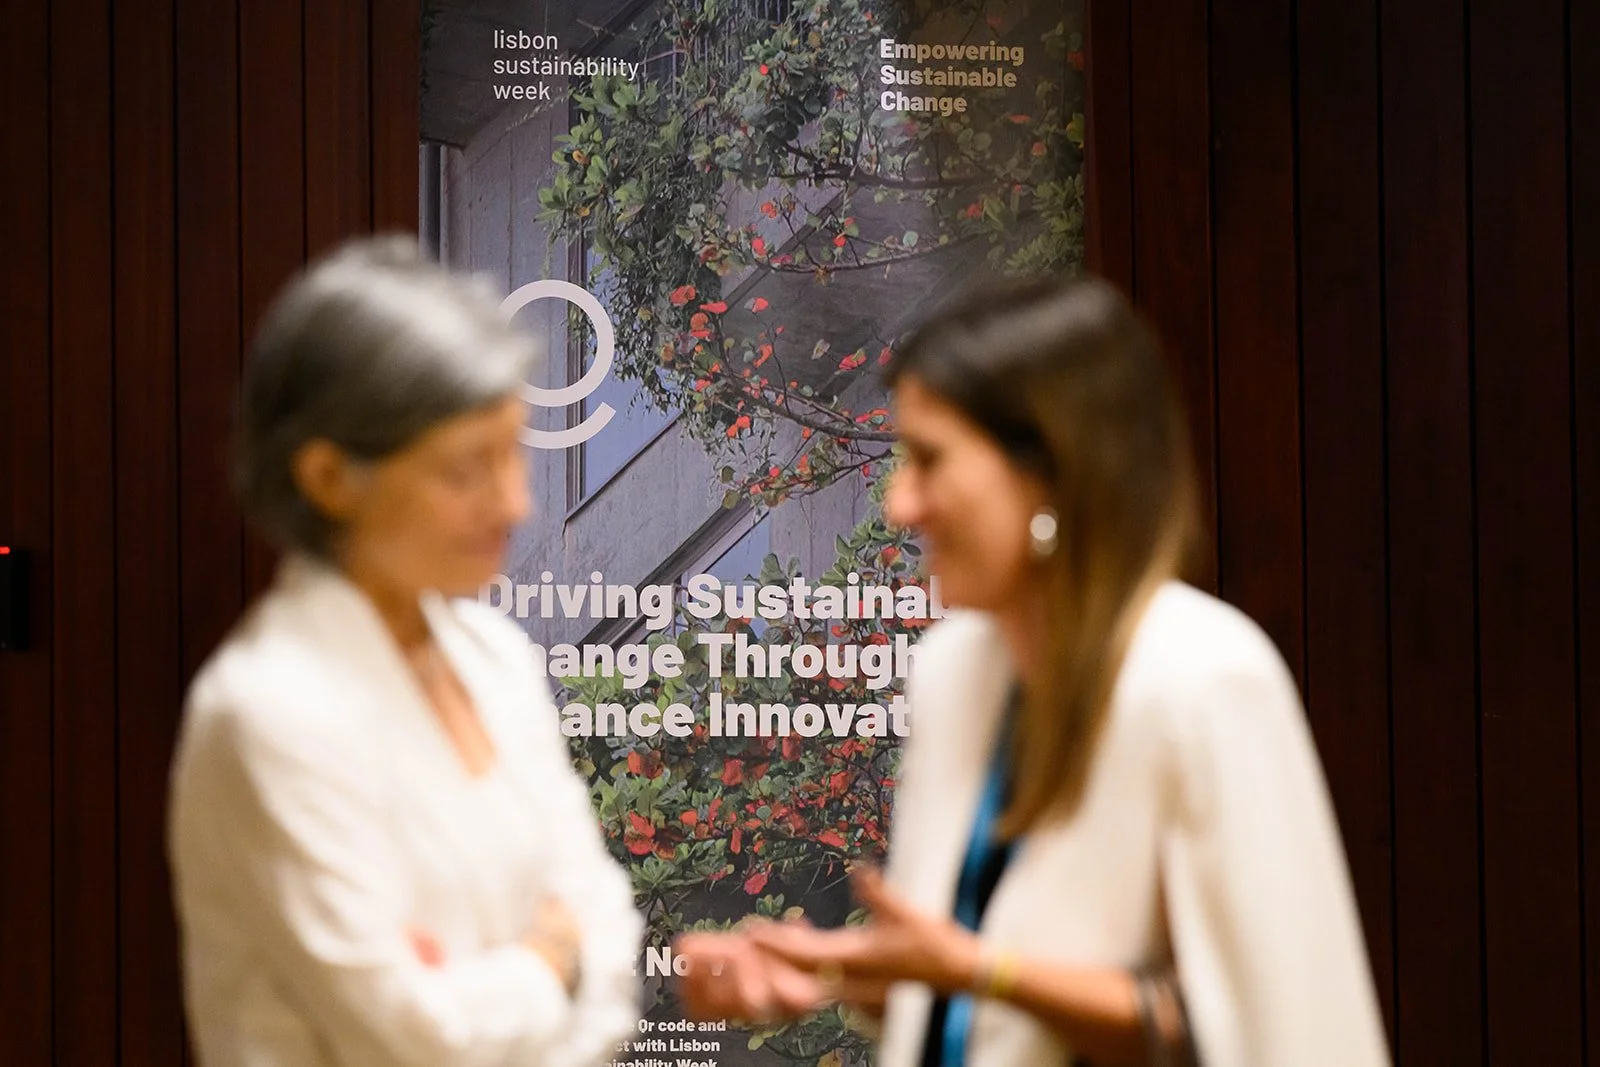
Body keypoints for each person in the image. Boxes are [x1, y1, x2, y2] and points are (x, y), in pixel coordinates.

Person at [674, 277, 1391, 1066]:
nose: (899, 504)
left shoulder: (1208, 677)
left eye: (930, 459)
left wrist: (982, 970)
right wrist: (825, 975)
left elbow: (1262, 1030)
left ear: (1051, 468)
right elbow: (963, 994)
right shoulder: (953, 671)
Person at [167, 236, 642, 1067]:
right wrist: (546, 962)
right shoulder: (269, 709)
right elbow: (414, 1037)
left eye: (513, 453)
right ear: (328, 477)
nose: (515, 501)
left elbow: (607, 925)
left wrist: (510, 980)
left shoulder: (490, 652)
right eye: (466, 470)